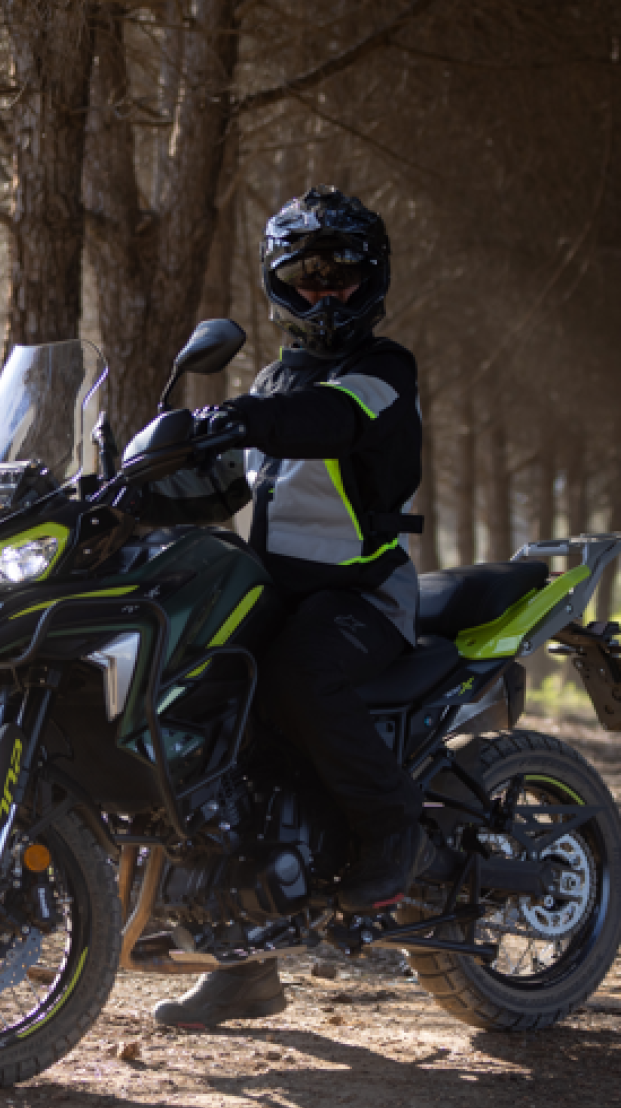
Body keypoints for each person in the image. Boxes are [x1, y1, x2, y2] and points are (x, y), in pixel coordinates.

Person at [147, 186, 433, 1030]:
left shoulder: (382, 371)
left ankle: (392, 829)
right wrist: (134, 485)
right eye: (305, 277)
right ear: (279, 284)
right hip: (274, 591)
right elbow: (228, 483)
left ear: (372, 280)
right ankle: (242, 966)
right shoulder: (275, 380)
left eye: (340, 275)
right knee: (205, 724)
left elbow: (326, 422)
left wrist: (232, 416)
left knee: (299, 676)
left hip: (361, 595)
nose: (323, 291)